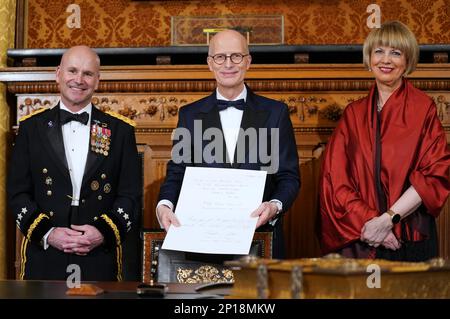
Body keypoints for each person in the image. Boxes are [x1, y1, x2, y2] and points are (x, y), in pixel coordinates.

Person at [156, 30, 300, 259]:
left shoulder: (276, 113)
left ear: (248, 62)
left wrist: (274, 206)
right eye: (220, 57)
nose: (228, 64)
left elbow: (289, 177)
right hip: (203, 242)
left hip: (259, 240)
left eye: (236, 56)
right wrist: (164, 205)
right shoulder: (189, 115)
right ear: (210, 64)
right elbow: (177, 172)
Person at [7, 45, 141, 280]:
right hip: (45, 253)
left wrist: (102, 233)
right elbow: (17, 194)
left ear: (97, 80)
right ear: (58, 74)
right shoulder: (31, 128)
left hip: (100, 254)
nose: (79, 80)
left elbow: (130, 196)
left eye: (88, 74)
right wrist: (48, 233)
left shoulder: (121, 131)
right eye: (72, 71)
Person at [320, 21, 450, 261]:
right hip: (362, 232)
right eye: (379, 51)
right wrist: (371, 221)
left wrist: (388, 219)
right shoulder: (353, 114)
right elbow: (336, 180)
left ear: (407, 61)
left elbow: (435, 174)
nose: (386, 60)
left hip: (410, 235)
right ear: (369, 59)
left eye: (396, 52)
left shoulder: (423, 109)